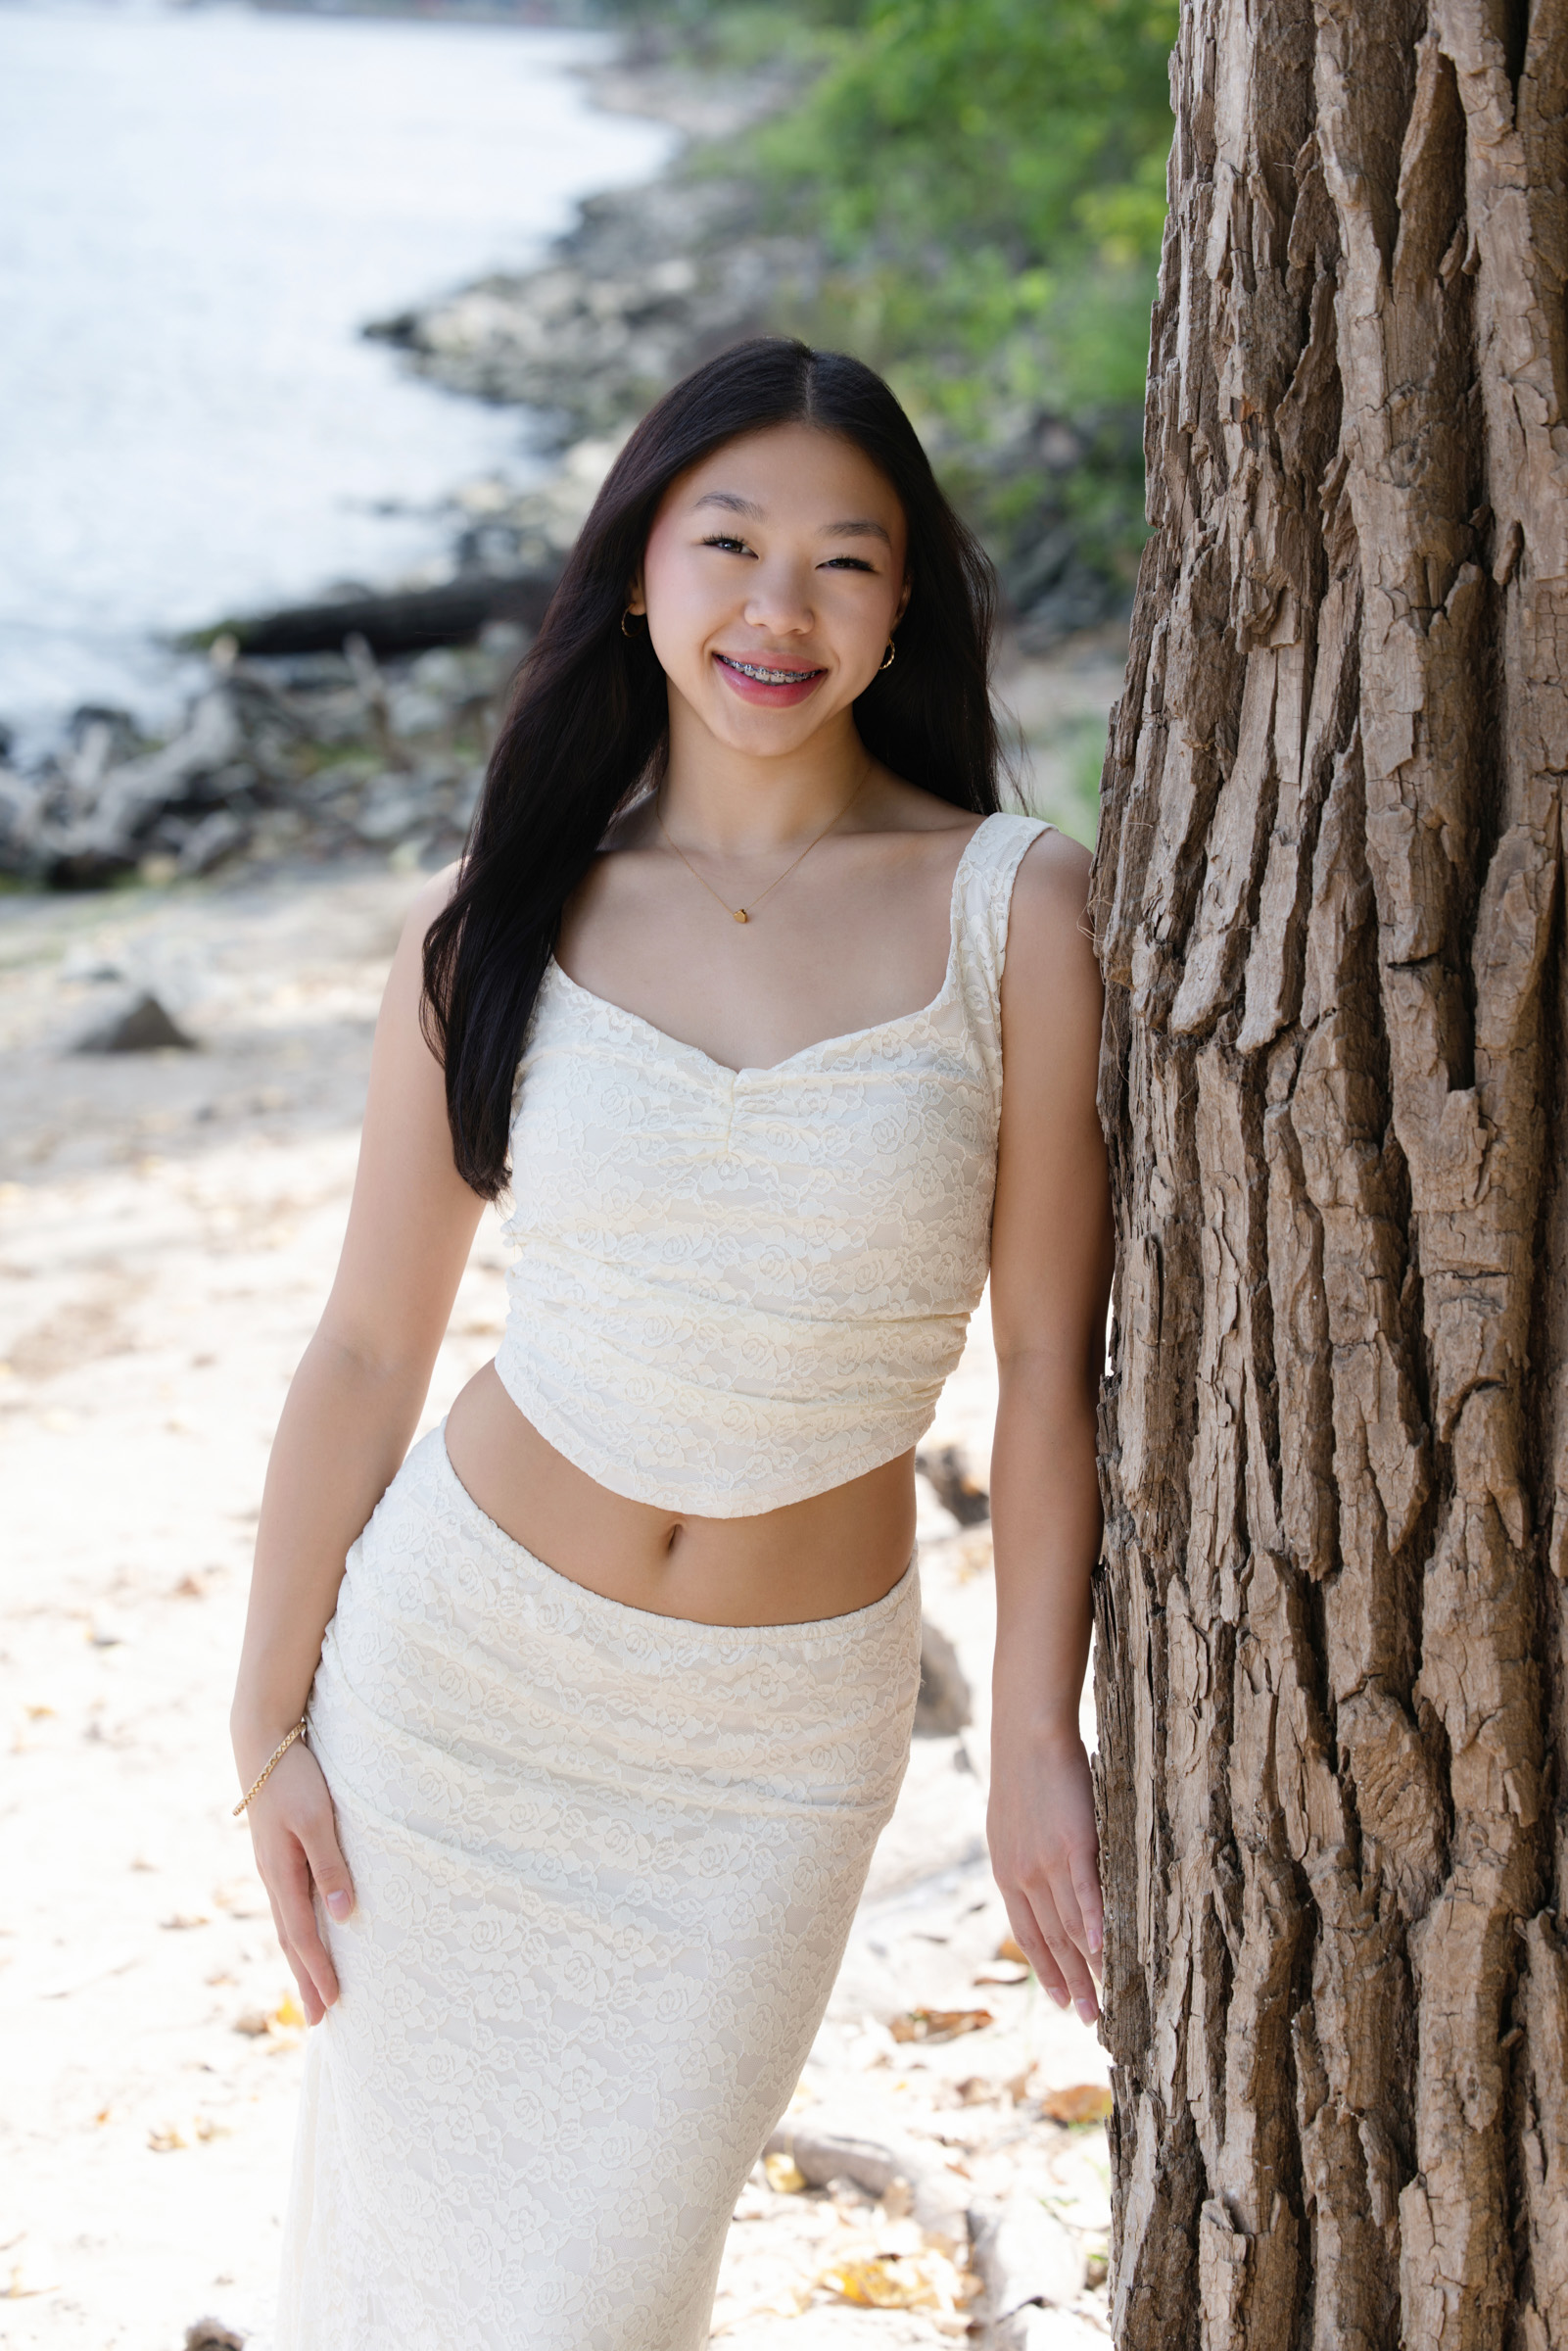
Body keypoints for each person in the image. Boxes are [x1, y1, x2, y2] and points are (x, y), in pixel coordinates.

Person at [230, 336, 1113, 2348]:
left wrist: (1039, 1741)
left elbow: (1046, 1375)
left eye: (843, 561)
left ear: (906, 615)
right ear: (640, 571)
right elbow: (370, 1348)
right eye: (727, 543)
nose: (775, 608)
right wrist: (266, 1727)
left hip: (767, 1761)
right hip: (455, 1705)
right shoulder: (500, 925)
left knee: (599, 2303)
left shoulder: (1014, 913)